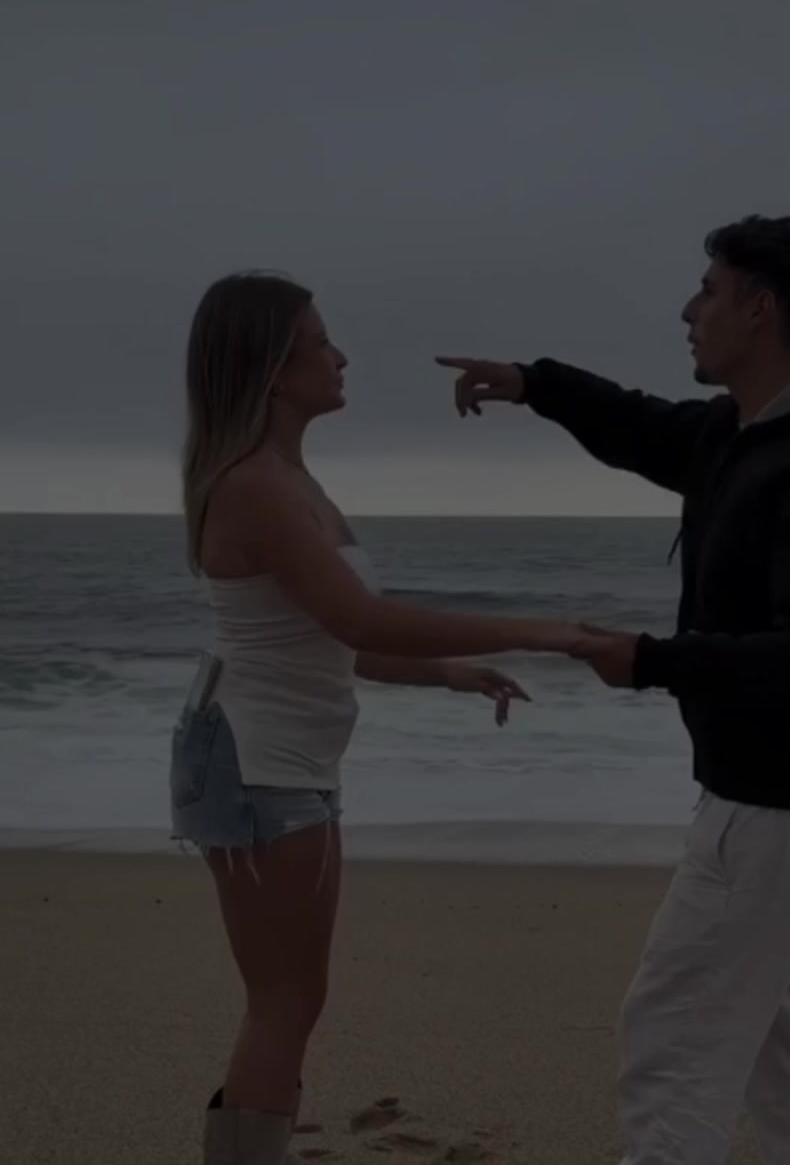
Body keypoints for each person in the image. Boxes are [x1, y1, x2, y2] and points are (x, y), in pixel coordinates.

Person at [438, 214, 790, 1165]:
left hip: (772, 809)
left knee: (675, 1043)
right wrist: (537, 384)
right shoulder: (742, 433)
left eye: (709, 290)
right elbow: (644, 428)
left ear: (760, 309)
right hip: (784, 800)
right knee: (789, 1054)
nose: (689, 311)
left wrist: (652, 660)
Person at [172, 271, 592, 1165]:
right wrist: (542, 631)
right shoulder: (255, 486)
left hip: (281, 757)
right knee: (283, 1002)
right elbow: (362, 621)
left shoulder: (290, 479)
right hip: (254, 762)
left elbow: (340, 642)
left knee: (294, 998)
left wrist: (452, 674)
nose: (342, 356)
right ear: (273, 366)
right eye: (322, 341)